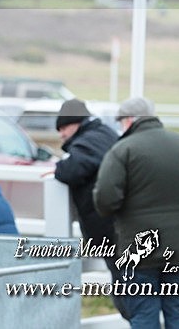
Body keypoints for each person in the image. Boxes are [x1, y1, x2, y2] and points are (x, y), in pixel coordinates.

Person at [94, 97, 179, 329]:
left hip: (140, 250)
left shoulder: (123, 150)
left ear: (129, 120)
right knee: (178, 316)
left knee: (143, 315)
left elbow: (105, 199)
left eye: (121, 122)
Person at [54, 98, 120, 281]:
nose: (61, 135)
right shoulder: (104, 134)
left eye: (62, 128)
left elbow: (71, 170)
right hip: (119, 223)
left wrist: (57, 167)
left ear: (74, 123)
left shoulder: (89, 141)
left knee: (127, 288)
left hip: (110, 226)